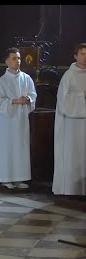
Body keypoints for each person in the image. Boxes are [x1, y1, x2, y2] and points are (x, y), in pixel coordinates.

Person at [0, 47, 37, 189]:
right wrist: (15, 101)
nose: (17, 61)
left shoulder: (26, 78)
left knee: (20, 147)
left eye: (18, 58)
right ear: (6, 61)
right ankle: (5, 177)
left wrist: (28, 98)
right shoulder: (1, 81)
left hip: (21, 119)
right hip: (6, 121)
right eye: (14, 58)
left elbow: (33, 95)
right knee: (7, 147)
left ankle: (19, 177)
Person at [53, 43, 86, 196]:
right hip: (72, 124)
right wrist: (81, 96)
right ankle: (71, 189)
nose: (85, 57)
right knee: (73, 155)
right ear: (75, 56)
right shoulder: (69, 75)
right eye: (82, 54)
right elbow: (63, 100)